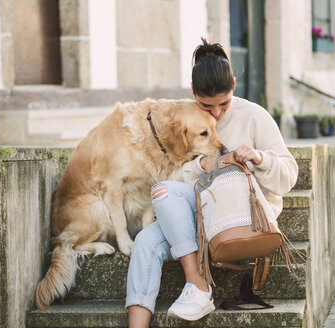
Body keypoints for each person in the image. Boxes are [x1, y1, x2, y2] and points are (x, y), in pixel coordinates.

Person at [125, 38, 298, 327]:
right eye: (207, 105)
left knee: (164, 192)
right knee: (145, 240)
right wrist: (202, 165)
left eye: (224, 104)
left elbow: (289, 176)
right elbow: (175, 178)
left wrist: (259, 158)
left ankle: (199, 284)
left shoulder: (254, 116)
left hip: (242, 217)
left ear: (233, 83)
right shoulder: (187, 119)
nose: (216, 112)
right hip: (198, 216)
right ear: (193, 92)